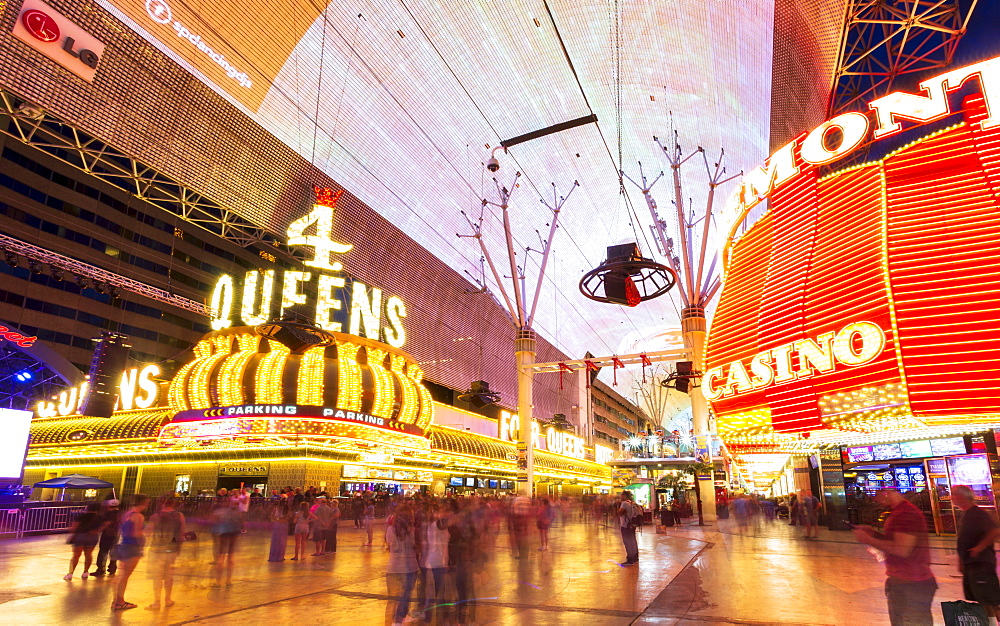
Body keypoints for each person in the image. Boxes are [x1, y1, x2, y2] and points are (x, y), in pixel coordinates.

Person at [852, 488, 937, 625]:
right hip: (906, 581)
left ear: (887, 493)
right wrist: (874, 534)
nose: (874, 499)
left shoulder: (905, 514)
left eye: (876, 494)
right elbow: (897, 541)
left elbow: (901, 550)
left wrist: (868, 540)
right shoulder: (899, 511)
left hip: (911, 583)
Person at [953, 485, 1000, 620]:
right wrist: (961, 561)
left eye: (954, 494)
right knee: (983, 600)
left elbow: (995, 531)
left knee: (989, 601)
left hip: (981, 565)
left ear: (962, 497)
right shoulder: (966, 514)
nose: (952, 498)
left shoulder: (978, 514)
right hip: (971, 565)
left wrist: (979, 548)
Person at [112, 494, 150, 611]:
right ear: (143, 503)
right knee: (125, 576)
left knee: (121, 575)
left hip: (123, 545)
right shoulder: (138, 516)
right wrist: (146, 534)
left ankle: (116, 600)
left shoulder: (127, 514)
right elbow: (136, 533)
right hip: (133, 547)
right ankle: (120, 602)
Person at [146, 497, 185, 610]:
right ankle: (168, 599)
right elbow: (181, 534)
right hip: (171, 549)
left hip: (156, 549)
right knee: (169, 575)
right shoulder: (179, 516)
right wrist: (179, 548)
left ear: (162, 503)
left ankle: (156, 602)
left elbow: (148, 532)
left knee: (157, 576)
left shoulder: (155, 516)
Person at [385, 505, 419, 626]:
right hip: (410, 567)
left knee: (391, 600)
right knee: (405, 596)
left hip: (393, 568)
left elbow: (389, 546)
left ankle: (389, 622)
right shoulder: (413, 531)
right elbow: (416, 547)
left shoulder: (390, 530)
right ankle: (399, 621)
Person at [64, 503, 105, 581]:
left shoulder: (81, 516)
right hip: (93, 537)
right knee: (88, 554)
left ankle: (70, 574)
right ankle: (85, 572)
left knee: (76, 555)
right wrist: (96, 531)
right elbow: (103, 526)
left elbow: (74, 526)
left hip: (80, 536)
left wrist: (72, 534)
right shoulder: (99, 517)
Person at [210, 499, 242, 586]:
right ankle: (229, 580)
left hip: (224, 533)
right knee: (231, 557)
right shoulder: (238, 512)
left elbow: (214, 520)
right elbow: (242, 524)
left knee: (221, 556)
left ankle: (218, 582)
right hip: (234, 534)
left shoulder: (221, 511)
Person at [91, 498, 121, 577]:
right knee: (113, 552)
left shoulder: (109, 514)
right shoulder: (120, 513)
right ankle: (112, 568)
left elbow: (107, 523)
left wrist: (98, 530)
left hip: (107, 535)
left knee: (103, 552)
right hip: (117, 534)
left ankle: (101, 569)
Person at [617, 491, 643, 566]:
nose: (621, 496)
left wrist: (619, 508)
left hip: (625, 525)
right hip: (632, 525)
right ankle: (635, 557)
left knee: (627, 542)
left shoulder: (625, 503)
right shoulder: (633, 503)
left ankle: (630, 559)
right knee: (633, 540)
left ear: (625, 496)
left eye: (622, 495)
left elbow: (619, 513)